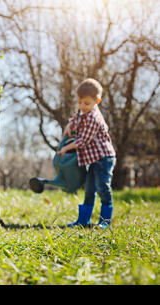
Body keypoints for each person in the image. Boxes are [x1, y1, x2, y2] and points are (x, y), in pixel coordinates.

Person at [58, 78, 116, 229]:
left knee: (102, 187)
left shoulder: (93, 118)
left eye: (86, 103)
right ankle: (83, 220)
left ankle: (105, 222)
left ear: (97, 101)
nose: (82, 106)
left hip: (104, 158)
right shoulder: (83, 112)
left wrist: (65, 148)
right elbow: (76, 118)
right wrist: (69, 124)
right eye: (79, 102)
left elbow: (82, 141)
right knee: (89, 189)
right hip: (94, 159)